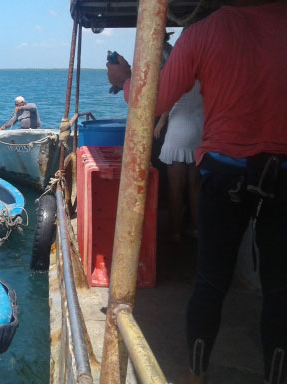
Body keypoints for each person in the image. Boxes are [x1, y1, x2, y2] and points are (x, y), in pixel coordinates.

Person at [107, 1, 287, 383]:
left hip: (225, 176)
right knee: (280, 289)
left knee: (209, 282)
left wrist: (125, 78)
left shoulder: (203, 32)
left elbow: (150, 102)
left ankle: (195, 376)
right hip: (282, 174)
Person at [154, 81, 203, 244]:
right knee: (194, 186)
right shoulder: (204, 75)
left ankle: (175, 233)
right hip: (199, 130)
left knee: (176, 188)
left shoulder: (180, 75)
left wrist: (161, 122)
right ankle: (195, 229)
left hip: (179, 131)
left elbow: (165, 101)